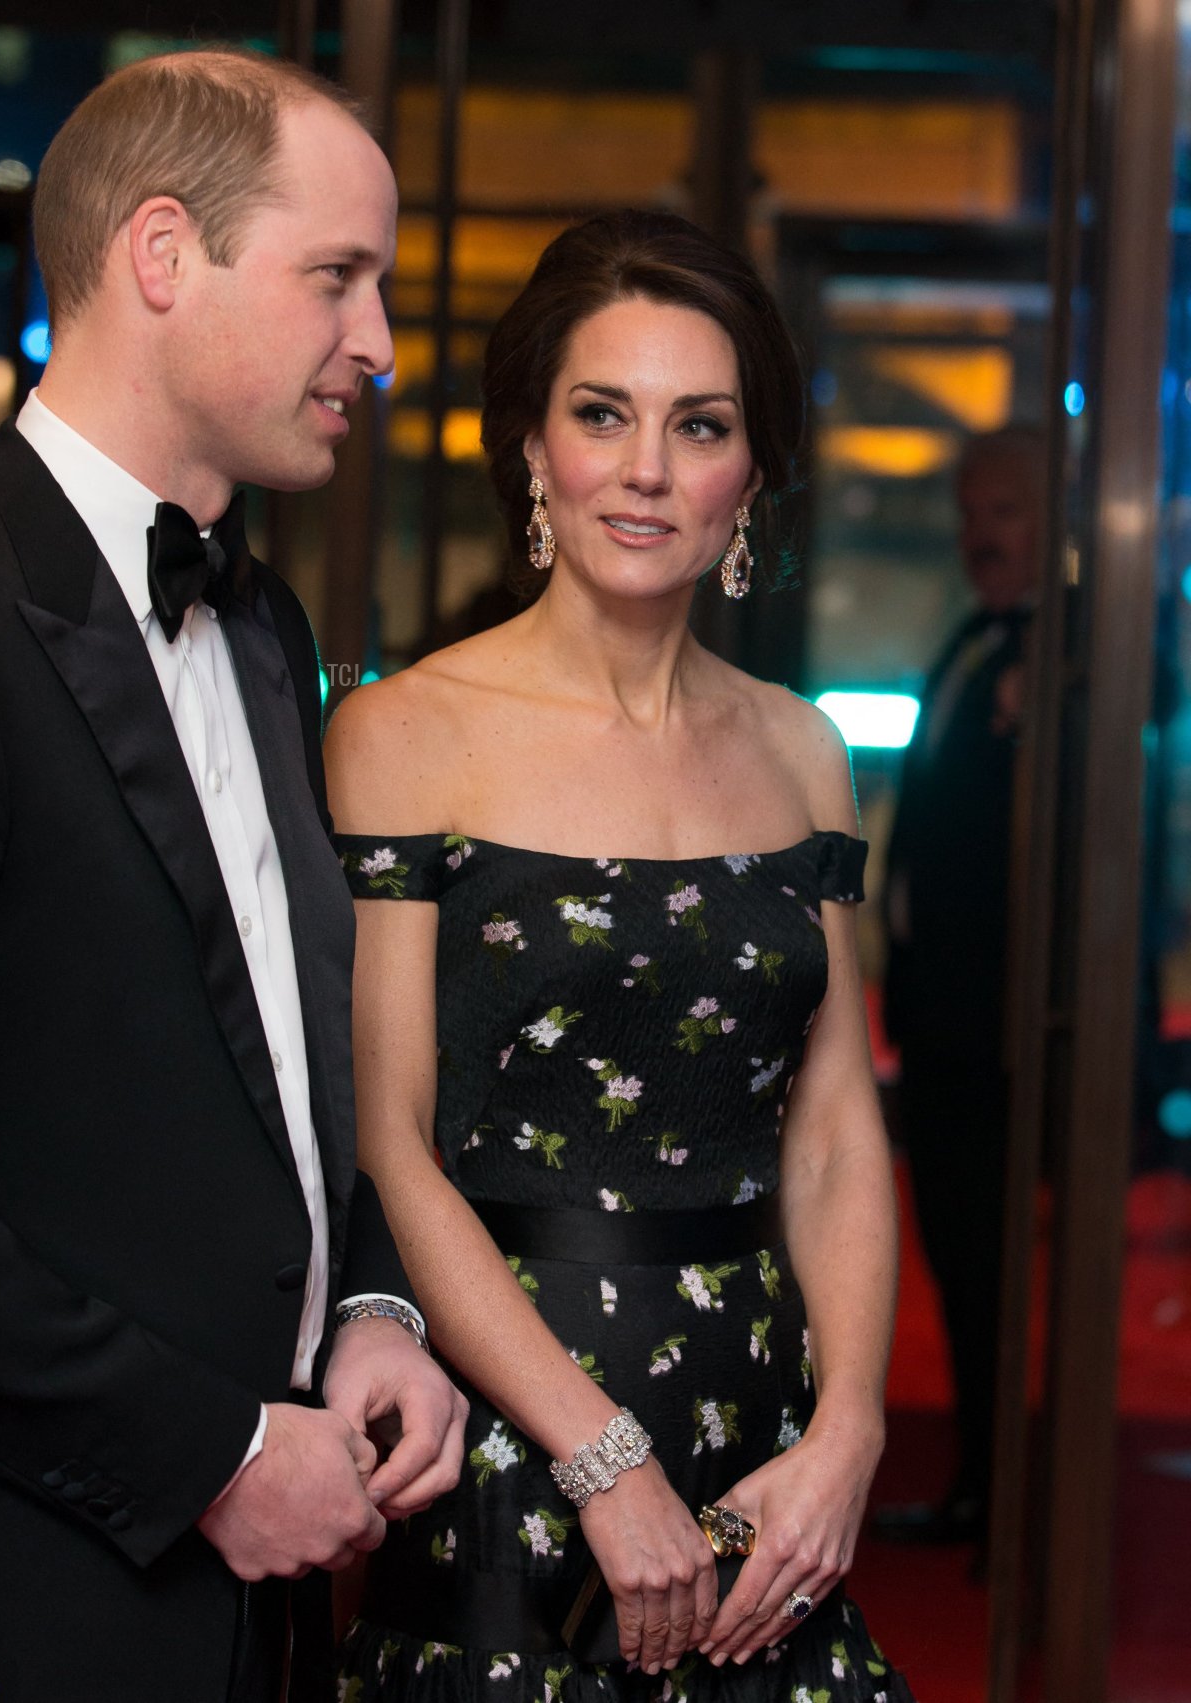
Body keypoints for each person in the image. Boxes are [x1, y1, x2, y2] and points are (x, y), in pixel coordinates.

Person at [326, 210, 914, 1700]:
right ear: (534, 445)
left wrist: (850, 1427)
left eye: (699, 424)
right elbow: (392, 1140)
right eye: (603, 414)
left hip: (765, 1446)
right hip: (510, 1423)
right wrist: (602, 1456)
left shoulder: (804, 749)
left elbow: (837, 1131)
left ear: (751, 475)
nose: (647, 468)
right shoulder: (404, 732)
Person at [0, 49, 467, 1703]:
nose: (380, 343)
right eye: (337, 276)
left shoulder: (264, 622)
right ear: (161, 254)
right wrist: (204, 1452)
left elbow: (283, 1040)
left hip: (255, 1614)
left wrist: (376, 1303)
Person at [873, 427, 1042, 1550]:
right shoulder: (974, 642)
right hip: (942, 1021)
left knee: (987, 1265)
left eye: (1005, 511)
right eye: (970, 512)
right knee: (958, 1258)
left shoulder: (1070, 658)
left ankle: (1003, 1494)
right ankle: (985, 1480)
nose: (979, 534)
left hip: (1006, 1027)